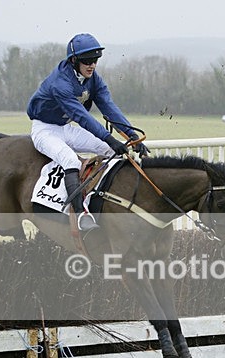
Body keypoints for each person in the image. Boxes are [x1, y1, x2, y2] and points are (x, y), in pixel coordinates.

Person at [26, 33, 149, 231]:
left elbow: (109, 108)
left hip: (65, 128)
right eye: (87, 61)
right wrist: (110, 138)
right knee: (71, 161)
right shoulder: (60, 83)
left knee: (109, 151)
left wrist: (132, 137)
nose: (92, 65)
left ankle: (111, 204)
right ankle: (81, 215)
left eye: (95, 60)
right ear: (74, 60)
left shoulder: (94, 79)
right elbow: (82, 117)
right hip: (44, 130)